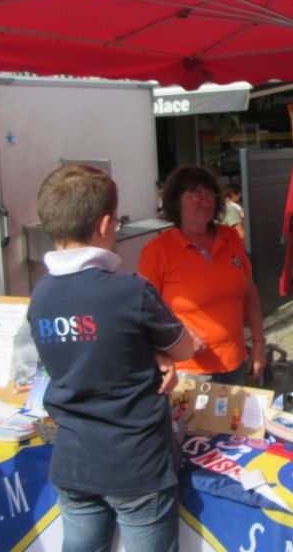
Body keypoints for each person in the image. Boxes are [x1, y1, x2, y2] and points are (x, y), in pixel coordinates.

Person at [27, 164, 200, 552]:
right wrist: (162, 351)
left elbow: (90, 350)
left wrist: (150, 352)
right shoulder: (131, 291)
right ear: (106, 224)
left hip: (73, 460)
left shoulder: (40, 296)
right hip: (136, 464)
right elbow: (186, 348)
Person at [139, 165, 266, 385]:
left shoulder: (230, 238)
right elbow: (144, 312)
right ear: (176, 201)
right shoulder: (157, 251)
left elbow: (250, 294)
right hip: (186, 371)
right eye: (196, 195)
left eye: (210, 195)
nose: (206, 202)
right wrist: (177, 333)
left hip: (234, 362)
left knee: (230, 420)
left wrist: (259, 345)